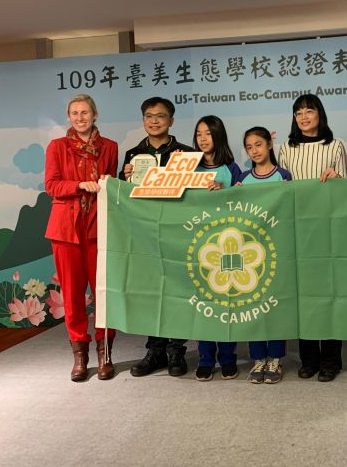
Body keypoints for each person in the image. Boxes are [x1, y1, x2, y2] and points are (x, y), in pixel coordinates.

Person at [45, 94, 118, 381]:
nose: (80, 118)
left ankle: (105, 354)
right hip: (66, 230)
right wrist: (80, 185)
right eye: (74, 113)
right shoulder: (57, 146)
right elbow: (52, 185)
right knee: (73, 296)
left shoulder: (110, 146)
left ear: (94, 115)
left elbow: (110, 184)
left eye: (85, 112)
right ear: (68, 117)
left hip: (99, 226)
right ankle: (80, 356)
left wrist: (110, 182)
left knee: (104, 294)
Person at [120, 97, 194, 378]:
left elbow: (195, 194)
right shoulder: (133, 155)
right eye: (149, 116)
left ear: (171, 120)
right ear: (143, 120)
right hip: (145, 232)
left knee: (177, 290)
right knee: (152, 291)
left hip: (177, 231)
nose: (154, 121)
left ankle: (177, 351)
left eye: (161, 116)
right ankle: (155, 351)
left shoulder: (186, 153)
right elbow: (124, 196)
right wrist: (124, 177)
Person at [278, 94, 347, 382]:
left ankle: (331, 359)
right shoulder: (286, 148)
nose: (304, 117)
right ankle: (308, 358)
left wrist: (337, 178)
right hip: (297, 231)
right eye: (298, 112)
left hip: (328, 231)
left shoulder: (337, 145)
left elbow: (346, 191)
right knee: (303, 297)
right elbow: (280, 190)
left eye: (309, 110)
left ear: (320, 114)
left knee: (329, 294)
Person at [238, 127, 292, 384]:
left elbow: (289, 210)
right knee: (253, 305)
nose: (254, 151)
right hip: (250, 253)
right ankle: (258, 357)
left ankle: (276, 358)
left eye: (258, 144)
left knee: (275, 305)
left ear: (269, 145)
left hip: (277, 249)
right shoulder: (243, 179)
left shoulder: (283, 176)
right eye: (249, 147)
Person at [193, 115, 242, 381]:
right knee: (202, 303)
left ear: (218, 136)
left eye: (208, 133)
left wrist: (225, 190)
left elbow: (242, 201)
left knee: (226, 304)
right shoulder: (189, 167)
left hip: (225, 245)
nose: (203, 139)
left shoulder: (231, 168)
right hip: (196, 243)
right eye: (199, 134)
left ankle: (227, 357)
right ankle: (205, 358)